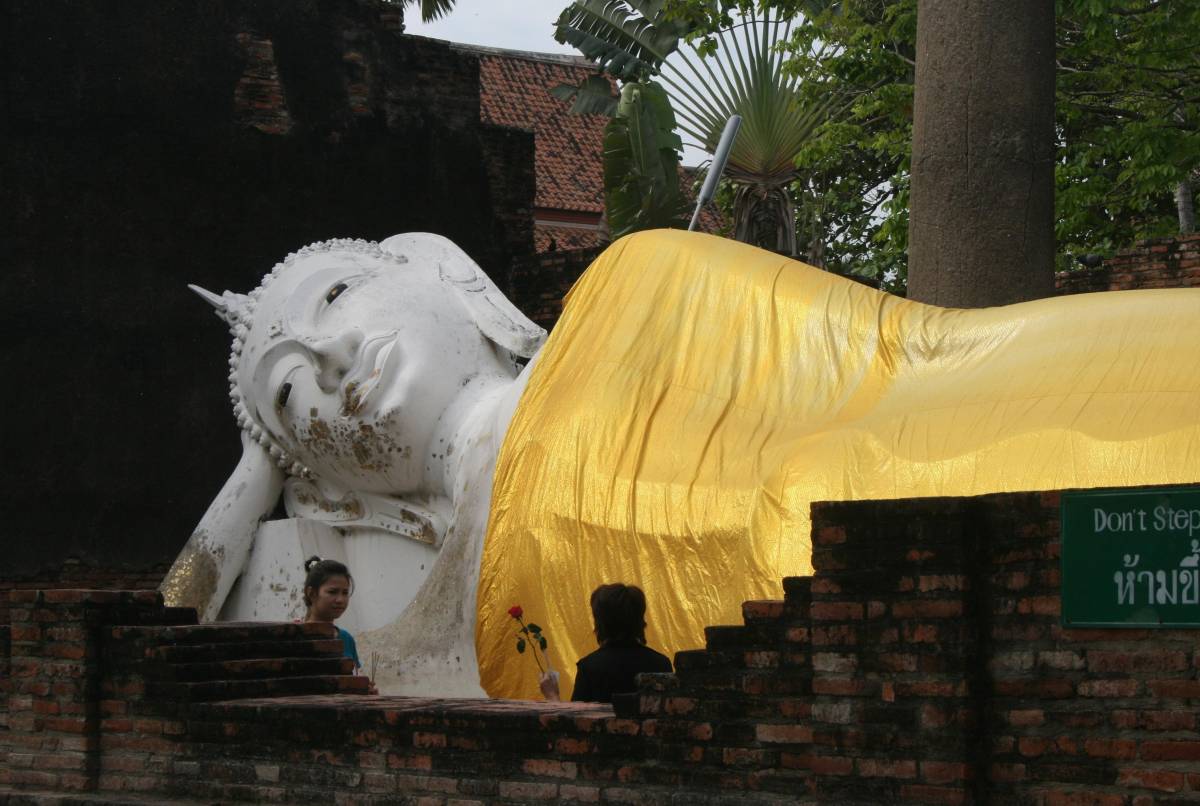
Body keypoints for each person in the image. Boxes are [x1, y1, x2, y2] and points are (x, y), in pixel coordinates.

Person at [540, 583, 673, 704]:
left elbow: (575, 722)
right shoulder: (661, 664)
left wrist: (552, 696)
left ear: (601, 623)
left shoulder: (590, 667)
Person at [301, 555, 376, 693]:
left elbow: (353, 680)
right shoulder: (298, 637)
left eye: (345, 593)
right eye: (332, 592)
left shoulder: (346, 638)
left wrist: (364, 691)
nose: (340, 599)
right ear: (311, 593)